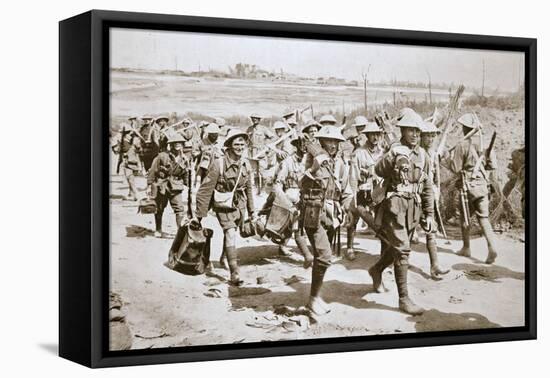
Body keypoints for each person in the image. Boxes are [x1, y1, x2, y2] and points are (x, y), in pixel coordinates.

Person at [367, 108, 434, 315]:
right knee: (403, 250)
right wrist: (392, 155)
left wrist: (429, 213)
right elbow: (378, 170)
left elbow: (427, 185)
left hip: (413, 209)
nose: (414, 134)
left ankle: (376, 269)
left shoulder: (423, 155)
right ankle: (404, 299)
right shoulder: (395, 150)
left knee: (394, 249)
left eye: (417, 131)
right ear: (402, 131)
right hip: (394, 207)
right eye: (410, 130)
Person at [193, 128, 257, 286]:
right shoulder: (218, 164)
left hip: (239, 205)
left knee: (232, 232)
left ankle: (224, 258)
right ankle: (234, 272)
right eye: (236, 144)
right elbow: (205, 190)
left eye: (242, 144)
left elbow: (248, 189)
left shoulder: (246, 163)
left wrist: (252, 211)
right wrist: (199, 215)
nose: (240, 147)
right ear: (229, 145)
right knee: (230, 233)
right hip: (223, 205)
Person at [299, 125, 348, 315]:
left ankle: (314, 297)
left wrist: (346, 205)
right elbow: (301, 182)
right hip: (313, 213)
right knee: (324, 256)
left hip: (331, 215)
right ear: (321, 142)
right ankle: (313, 299)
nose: (333, 145)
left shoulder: (339, 163)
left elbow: (345, 188)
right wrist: (313, 167)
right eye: (329, 141)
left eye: (336, 141)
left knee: (323, 258)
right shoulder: (312, 159)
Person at [446, 113, 499, 264]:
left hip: (468, 187)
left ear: (464, 128)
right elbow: (492, 166)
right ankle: (492, 247)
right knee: (484, 218)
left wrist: (448, 159)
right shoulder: (485, 143)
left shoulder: (462, 144)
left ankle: (466, 247)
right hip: (483, 186)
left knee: (465, 217)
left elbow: (456, 168)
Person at [270, 136, 314, 265]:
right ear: (297, 145)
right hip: (292, 197)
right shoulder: (288, 162)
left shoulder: (311, 161)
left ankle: (283, 246)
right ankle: (307, 256)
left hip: (307, 197)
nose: (304, 147)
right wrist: (284, 200)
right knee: (297, 228)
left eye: (307, 144)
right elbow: (278, 182)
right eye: (302, 144)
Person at [345, 122, 385, 260]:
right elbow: (353, 177)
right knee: (354, 216)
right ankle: (350, 247)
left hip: (379, 191)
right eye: (372, 134)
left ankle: (384, 250)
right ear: (367, 135)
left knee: (382, 220)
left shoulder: (382, 153)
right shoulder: (359, 153)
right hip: (364, 190)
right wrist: (353, 197)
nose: (375, 137)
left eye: (377, 134)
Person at [420, 120, 450, 279]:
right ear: (421, 137)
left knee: (430, 229)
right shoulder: (417, 153)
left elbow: (436, 175)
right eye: (427, 136)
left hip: (429, 195)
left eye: (433, 136)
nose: (430, 139)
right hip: (415, 196)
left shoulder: (433, 153)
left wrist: (436, 190)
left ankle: (434, 266)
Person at [147, 132, 191, 238]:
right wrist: (149, 185)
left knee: (179, 209)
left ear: (182, 144)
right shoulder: (162, 156)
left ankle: (179, 233)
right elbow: (153, 170)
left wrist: (189, 185)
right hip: (163, 186)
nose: (177, 145)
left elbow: (186, 173)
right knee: (159, 208)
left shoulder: (185, 158)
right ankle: (158, 229)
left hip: (176, 187)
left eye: (180, 143)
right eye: (175, 143)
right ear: (170, 144)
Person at [246, 113, 276, 194]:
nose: (254, 120)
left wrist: (268, 147)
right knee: (254, 173)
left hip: (261, 154)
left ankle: (262, 190)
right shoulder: (249, 129)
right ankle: (256, 189)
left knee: (263, 173)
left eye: (256, 118)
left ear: (259, 120)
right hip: (252, 153)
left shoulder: (264, 129)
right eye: (253, 118)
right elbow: (246, 140)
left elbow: (272, 137)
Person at [112, 124, 141, 201]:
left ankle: (136, 194)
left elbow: (117, 151)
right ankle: (131, 193)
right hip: (131, 161)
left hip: (130, 162)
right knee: (130, 178)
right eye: (127, 133)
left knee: (130, 178)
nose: (129, 134)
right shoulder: (129, 140)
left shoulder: (129, 141)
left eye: (128, 133)